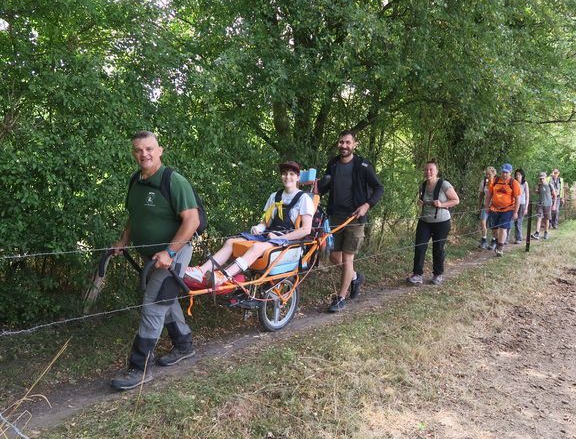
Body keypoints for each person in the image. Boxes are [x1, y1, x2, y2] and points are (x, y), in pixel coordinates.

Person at [110, 131, 200, 391]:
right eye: (138, 150)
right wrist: (123, 242)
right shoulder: (135, 181)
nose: (144, 154)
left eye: (149, 149)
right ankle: (184, 345)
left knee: (154, 302)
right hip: (152, 257)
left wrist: (170, 252)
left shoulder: (174, 181)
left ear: (160, 150)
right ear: (133, 153)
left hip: (175, 254)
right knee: (165, 300)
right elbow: (134, 217)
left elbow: (191, 221)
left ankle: (139, 366)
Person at [182, 161, 314, 287]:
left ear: (298, 177)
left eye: (291, 174)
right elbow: (265, 222)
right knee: (230, 242)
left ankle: (223, 276)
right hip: (269, 236)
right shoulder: (275, 196)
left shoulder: (304, 199)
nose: (287, 177)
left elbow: (305, 230)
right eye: (284, 173)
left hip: (287, 242)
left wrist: (279, 238)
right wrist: (259, 227)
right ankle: (201, 272)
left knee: (257, 248)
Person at [318, 130, 384, 312]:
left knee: (347, 258)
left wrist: (367, 206)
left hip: (355, 218)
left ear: (355, 144)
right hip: (335, 217)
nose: (344, 146)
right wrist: (312, 190)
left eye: (348, 142)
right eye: (341, 142)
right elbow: (324, 186)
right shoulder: (332, 164)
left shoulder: (363, 165)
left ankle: (340, 298)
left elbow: (379, 188)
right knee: (333, 255)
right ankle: (355, 278)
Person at [406, 160, 459, 286]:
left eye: (431, 169)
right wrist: (420, 203)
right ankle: (417, 274)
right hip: (425, 221)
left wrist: (442, 204)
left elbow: (456, 200)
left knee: (438, 248)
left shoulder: (444, 185)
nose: (428, 172)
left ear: (436, 171)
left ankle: (438, 274)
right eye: (426, 169)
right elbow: (423, 200)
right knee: (420, 247)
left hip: (441, 222)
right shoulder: (423, 185)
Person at [487, 163, 521, 257]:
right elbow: (489, 194)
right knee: (494, 229)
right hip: (494, 208)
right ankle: (498, 242)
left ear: (510, 173)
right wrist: (486, 206)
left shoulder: (514, 183)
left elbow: (518, 198)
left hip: (508, 209)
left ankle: (500, 248)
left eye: (506, 172)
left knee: (503, 228)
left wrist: (516, 212)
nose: (504, 174)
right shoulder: (495, 180)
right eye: (503, 172)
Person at [532, 172, 556, 240]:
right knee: (539, 218)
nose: (541, 180)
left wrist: (554, 205)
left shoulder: (550, 185)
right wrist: (535, 190)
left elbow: (554, 195)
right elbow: (537, 193)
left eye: (543, 178)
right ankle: (537, 233)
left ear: (545, 178)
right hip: (540, 204)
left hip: (548, 204)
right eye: (540, 179)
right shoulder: (539, 185)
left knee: (546, 219)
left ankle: (546, 232)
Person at [478, 166, 497, 249]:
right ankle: (484, 240)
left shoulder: (497, 182)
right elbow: (481, 194)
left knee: (493, 225)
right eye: (486, 174)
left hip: (494, 206)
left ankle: (494, 241)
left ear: (493, 174)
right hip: (485, 206)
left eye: (489, 174)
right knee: (483, 222)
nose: (487, 176)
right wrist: (479, 205)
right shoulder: (484, 182)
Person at [512, 168, 529, 244]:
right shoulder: (513, 182)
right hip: (514, 204)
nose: (517, 176)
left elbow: (527, 196)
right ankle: (504, 239)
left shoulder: (525, 183)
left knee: (519, 221)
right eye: (516, 174)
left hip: (522, 204)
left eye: (519, 174)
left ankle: (518, 238)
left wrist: (526, 208)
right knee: (511, 220)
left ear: (522, 175)